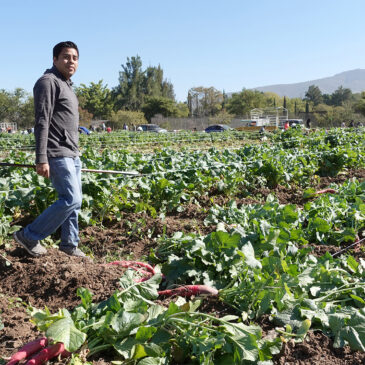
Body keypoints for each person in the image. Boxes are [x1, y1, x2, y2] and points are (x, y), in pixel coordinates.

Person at [13, 41, 85, 258]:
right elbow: (42, 122)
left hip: (72, 152)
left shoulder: (66, 84)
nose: (70, 61)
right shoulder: (48, 82)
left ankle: (69, 244)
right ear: (55, 59)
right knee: (71, 198)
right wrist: (41, 157)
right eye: (65, 57)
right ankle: (30, 235)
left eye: (74, 57)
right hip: (57, 151)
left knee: (75, 202)